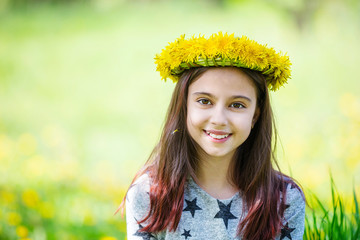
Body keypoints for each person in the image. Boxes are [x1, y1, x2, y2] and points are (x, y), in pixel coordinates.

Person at [120, 32, 305, 240]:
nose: (219, 119)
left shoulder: (284, 199)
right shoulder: (149, 194)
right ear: (184, 106)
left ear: (255, 116)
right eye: (205, 101)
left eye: (237, 105)